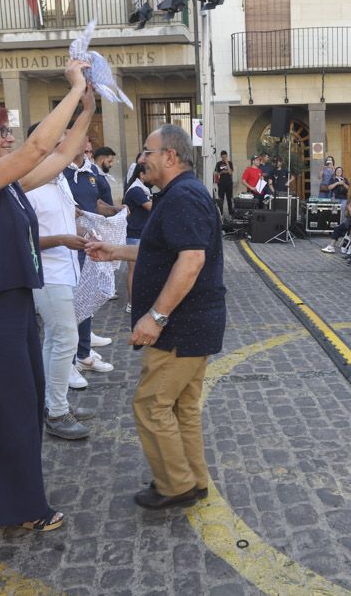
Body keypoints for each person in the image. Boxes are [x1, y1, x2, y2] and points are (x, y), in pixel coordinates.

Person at [0, 58, 92, 531]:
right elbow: (35, 148)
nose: (8, 136)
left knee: (9, 405)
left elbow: (58, 156)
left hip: (7, 304)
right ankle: (24, 509)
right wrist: (72, 86)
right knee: (13, 408)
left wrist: (87, 105)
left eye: (9, 129)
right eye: (0, 130)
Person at [85, 124, 225, 509]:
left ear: (170, 156)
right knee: (180, 407)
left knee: (151, 404)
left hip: (183, 326)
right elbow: (161, 249)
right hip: (193, 324)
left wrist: (156, 317)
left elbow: (192, 259)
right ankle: (191, 479)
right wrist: (115, 252)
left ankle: (175, 484)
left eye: (147, 151)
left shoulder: (183, 196)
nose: (140, 159)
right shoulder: (180, 194)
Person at [25, 127, 94, 440]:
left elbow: (68, 218)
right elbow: (23, 240)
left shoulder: (61, 180)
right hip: (48, 276)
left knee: (55, 341)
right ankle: (56, 412)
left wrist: (80, 230)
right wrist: (63, 240)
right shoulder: (29, 188)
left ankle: (53, 402)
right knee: (64, 339)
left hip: (66, 274)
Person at [64, 146, 116, 376]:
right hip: (68, 249)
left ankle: (83, 348)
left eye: (88, 146)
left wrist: (115, 210)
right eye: (82, 144)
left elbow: (95, 203)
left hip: (86, 242)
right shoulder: (57, 174)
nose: (86, 149)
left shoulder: (89, 171)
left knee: (88, 295)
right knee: (68, 308)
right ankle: (74, 358)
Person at [124, 163, 153, 312]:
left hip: (141, 234)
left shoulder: (143, 189)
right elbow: (151, 207)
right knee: (134, 271)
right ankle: (131, 303)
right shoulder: (136, 190)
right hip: (134, 235)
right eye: (149, 172)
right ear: (141, 175)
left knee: (142, 271)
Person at [213, 150, 234, 216]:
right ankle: (220, 214)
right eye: (223, 157)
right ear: (221, 157)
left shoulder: (230, 163)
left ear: (227, 156)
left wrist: (227, 163)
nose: (224, 158)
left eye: (225, 157)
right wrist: (222, 172)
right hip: (221, 183)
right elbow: (216, 173)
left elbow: (230, 172)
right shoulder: (218, 163)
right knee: (221, 199)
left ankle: (230, 213)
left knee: (229, 198)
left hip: (229, 183)